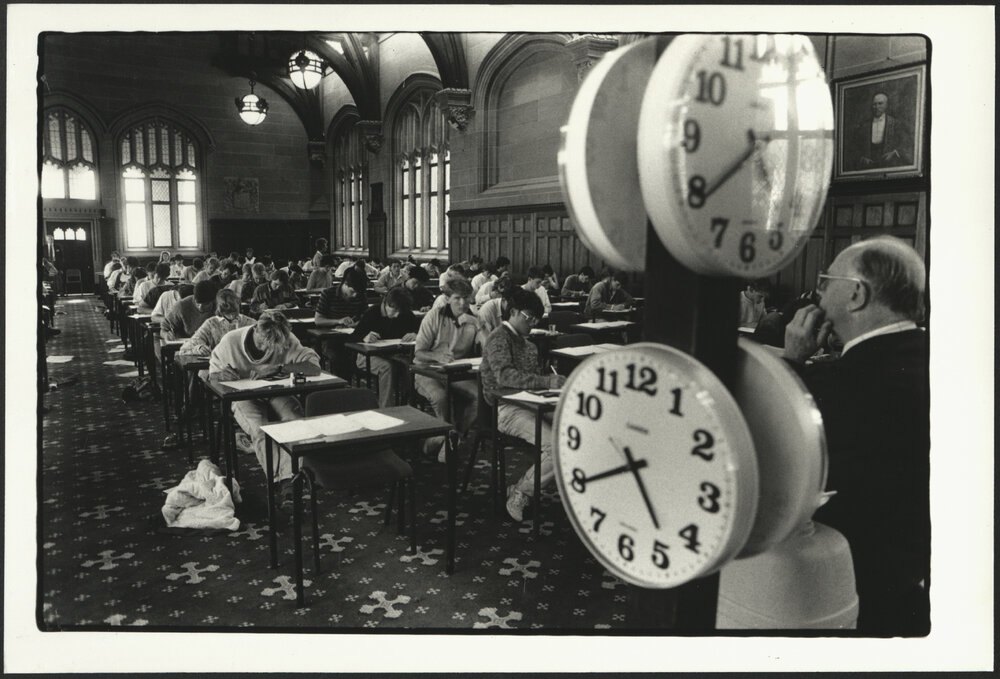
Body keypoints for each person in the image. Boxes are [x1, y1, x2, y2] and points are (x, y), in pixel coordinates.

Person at [782, 236, 929, 636]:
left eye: (826, 281)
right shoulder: (935, 356)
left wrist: (794, 360)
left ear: (856, 295)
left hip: (857, 590)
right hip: (920, 579)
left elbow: (784, 455)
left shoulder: (841, 383)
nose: (818, 293)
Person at [209, 311, 321, 500]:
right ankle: (281, 482)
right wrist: (221, 376)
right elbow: (211, 376)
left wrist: (279, 368)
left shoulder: (285, 337)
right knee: (261, 429)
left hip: (274, 389)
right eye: (263, 343)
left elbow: (314, 367)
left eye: (272, 346)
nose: (267, 348)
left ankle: (289, 480)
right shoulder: (230, 341)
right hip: (242, 394)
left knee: (295, 420)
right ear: (255, 329)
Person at [480, 288, 566, 522]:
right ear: (514, 312)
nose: (533, 323)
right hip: (505, 408)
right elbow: (505, 377)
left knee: (573, 434)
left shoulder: (529, 345)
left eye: (536, 319)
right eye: (529, 318)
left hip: (531, 404)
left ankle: (535, 484)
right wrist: (546, 381)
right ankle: (521, 492)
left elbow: (532, 380)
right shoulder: (498, 338)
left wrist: (549, 387)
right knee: (554, 446)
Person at [413, 277, 483, 462]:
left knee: (479, 396)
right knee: (440, 397)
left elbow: (489, 346)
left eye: (467, 298)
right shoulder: (434, 316)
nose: (463, 303)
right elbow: (419, 352)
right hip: (427, 370)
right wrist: (437, 356)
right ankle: (447, 439)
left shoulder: (473, 318)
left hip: (456, 371)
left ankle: (450, 437)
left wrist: (480, 326)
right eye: (457, 298)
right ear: (448, 298)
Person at [351, 287, 419, 407]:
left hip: (394, 354)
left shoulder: (405, 312)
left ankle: (408, 404)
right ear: (387, 304)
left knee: (411, 366)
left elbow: (420, 330)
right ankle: (387, 408)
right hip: (367, 355)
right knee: (387, 367)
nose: (398, 315)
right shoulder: (372, 312)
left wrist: (415, 334)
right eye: (395, 310)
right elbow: (353, 337)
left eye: (400, 311)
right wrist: (364, 337)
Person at [179, 289, 255, 359]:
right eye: (227, 313)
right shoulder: (211, 324)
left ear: (239, 304)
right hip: (218, 368)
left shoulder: (250, 323)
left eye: (234, 312)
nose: (232, 316)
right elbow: (184, 349)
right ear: (220, 310)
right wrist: (198, 348)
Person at [849, 92, 913, 170]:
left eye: (880, 104)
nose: (876, 107)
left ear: (886, 105)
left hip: (889, 164)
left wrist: (894, 153)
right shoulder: (864, 126)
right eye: (874, 104)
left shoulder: (895, 123)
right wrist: (862, 158)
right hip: (868, 165)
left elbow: (906, 143)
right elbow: (854, 146)